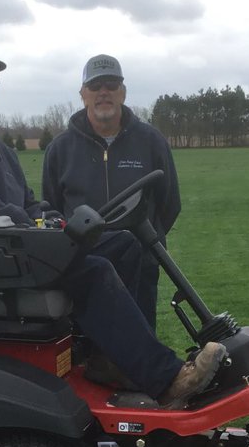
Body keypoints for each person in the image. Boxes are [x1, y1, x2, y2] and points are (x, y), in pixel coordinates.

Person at [0, 38, 223, 409]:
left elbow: (27, 199)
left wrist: (50, 216)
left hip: (15, 244)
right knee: (94, 271)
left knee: (123, 243)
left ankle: (113, 361)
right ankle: (166, 378)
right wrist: (29, 224)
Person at [42, 54, 181, 330]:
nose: (103, 92)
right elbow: (52, 205)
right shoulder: (60, 148)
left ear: (123, 92)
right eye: (95, 86)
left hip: (141, 266)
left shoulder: (151, 141)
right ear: (83, 94)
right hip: (85, 267)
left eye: (111, 84)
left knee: (140, 347)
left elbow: (169, 203)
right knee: (85, 351)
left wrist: (145, 242)